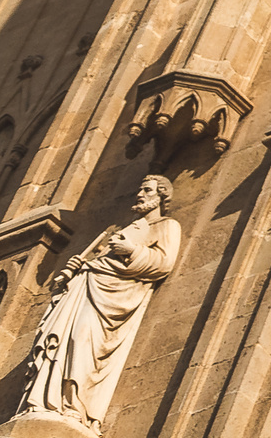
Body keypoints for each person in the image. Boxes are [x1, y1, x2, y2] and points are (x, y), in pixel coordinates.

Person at [15, 176, 181, 432]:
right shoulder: (126, 230)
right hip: (85, 290)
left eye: (147, 190)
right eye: (139, 189)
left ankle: (74, 407)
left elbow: (163, 264)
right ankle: (46, 402)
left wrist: (132, 251)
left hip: (112, 299)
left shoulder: (166, 226)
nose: (140, 194)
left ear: (161, 196)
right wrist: (77, 270)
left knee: (82, 341)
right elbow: (100, 261)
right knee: (63, 342)